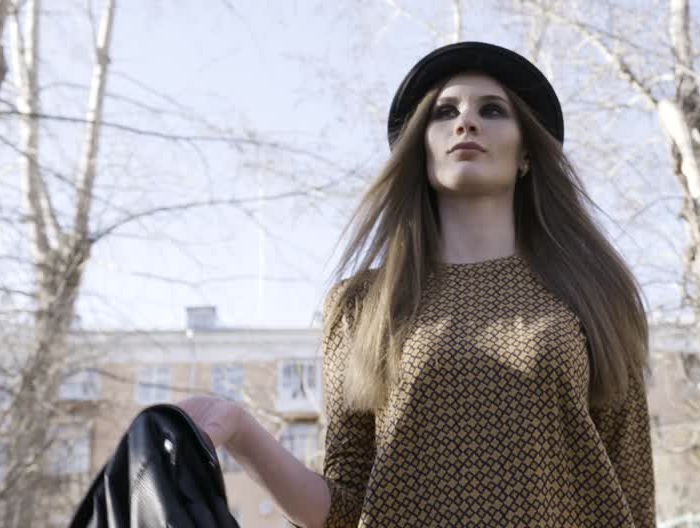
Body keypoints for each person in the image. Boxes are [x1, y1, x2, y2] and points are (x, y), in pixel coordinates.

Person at [178, 42, 656, 528]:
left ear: (527, 153)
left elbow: (633, 492)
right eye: (444, 112)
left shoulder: (593, 295)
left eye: (492, 110)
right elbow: (345, 508)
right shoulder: (363, 305)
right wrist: (237, 430)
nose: (466, 122)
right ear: (421, 150)